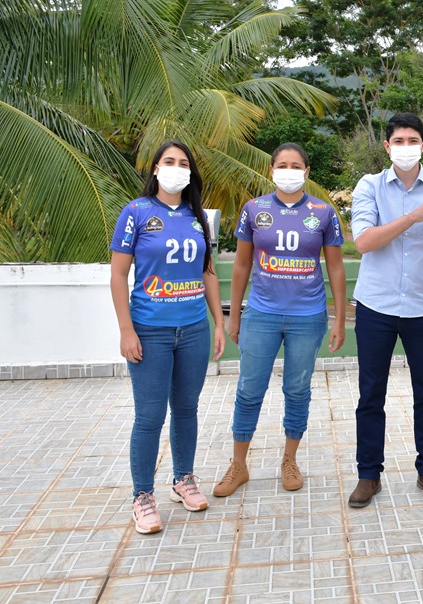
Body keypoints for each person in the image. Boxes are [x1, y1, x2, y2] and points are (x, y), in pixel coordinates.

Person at [213, 143, 347, 498]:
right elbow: (241, 265)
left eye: (296, 165)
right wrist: (236, 315)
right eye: (282, 165)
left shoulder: (323, 212)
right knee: (249, 389)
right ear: (272, 170)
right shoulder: (254, 210)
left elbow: (334, 266)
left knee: (297, 390)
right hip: (262, 314)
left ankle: (289, 459)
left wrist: (339, 317)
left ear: (307, 171)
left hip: (308, 317)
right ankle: (239, 465)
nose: (289, 170)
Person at [346, 112, 423, 508]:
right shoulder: (369, 186)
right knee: (370, 394)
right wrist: (413, 216)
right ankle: (368, 475)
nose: (407, 147)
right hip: (376, 306)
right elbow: (363, 241)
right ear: (387, 146)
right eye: (399, 140)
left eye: (414, 140)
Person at [110, 140, 226, 535]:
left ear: (190, 172)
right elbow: (117, 275)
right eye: (169, 162)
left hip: (193, 328)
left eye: (183, 163)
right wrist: (127, 329)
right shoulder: (136, 213)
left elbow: (207, 272)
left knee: (187, 408)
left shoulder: (198, 217)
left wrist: (219, 323)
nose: (177, 168)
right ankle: (142, 496)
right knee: (149, 415)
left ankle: (183, 480)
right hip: (150, 329)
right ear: (156, 169)